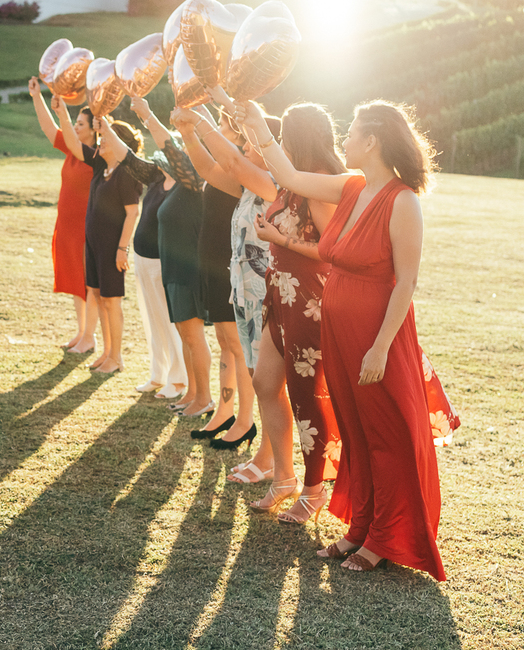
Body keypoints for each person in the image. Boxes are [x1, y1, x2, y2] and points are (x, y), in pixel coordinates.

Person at [239, 99, 457, 580]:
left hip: (377, 336)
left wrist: (380, 347)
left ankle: (385, 539)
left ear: (373, 140)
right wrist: (258, 126)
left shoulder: (402, 200)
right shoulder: (352, 187)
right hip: (339, 333)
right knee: (357, 435)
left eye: (352, 132)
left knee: (386, 434)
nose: (344, 141)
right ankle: (361, 527)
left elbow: (406, 282)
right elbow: (291, 178)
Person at [182, 103, 345, 523]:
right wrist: (227, 102)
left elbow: (333, 252)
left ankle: (311, 490)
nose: (276, 144)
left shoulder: (321, 184)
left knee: (306, 397)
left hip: (308, 298)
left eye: (282, 136)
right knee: (265, 382)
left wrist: (281, 241)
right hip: (280, 294)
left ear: (298, 139)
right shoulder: (291, 183)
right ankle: (284, 476)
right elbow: (241, 154)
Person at [172, 105, 279, 464]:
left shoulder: (265, 182)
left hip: (252, 281)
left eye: (251, 145)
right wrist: (188, 132)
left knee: (245, 352)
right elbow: (206, 167)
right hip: (233, 276)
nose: (246, 149)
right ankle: (230, 412)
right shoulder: (245, 183)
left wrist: (198, 122)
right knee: (230, 345)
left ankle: (247, 423)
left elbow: (230, 161)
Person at [105, 100, 204, 403]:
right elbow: (126, 156)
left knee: (172, 321)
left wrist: (147, 115)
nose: (169, 150)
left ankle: (178, 379)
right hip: (144, 259)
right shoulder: (158, 176)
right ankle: (158, 373)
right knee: (152, 319)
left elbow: (171, 148)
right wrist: (103, 122)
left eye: (175, 147)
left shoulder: (190, 183)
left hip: (168, 262)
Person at [56, 97, 142, 374]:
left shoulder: (126, 174)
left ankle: (116, 358)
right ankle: (107, 353)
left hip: (112, 249)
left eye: (105, 139)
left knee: (112, 302)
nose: (100, 143)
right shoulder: (100, 169)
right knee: (100, 298)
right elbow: (72, 142)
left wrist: (122, 249)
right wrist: (61, 113)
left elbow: (132, 212)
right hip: (94, 246)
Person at [29, 78, 99, 353]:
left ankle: (90, 337)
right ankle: (81, 332)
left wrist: (64, 113)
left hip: (86, 228)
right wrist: (37, 97)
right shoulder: (72, 150)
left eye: (80, 124)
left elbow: (60, 126)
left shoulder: (93, 156)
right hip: (67, 226)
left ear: (93, 130)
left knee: (88, 283)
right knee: (73, 280)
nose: (75, 127)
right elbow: (49, 129)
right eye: (76, 124)